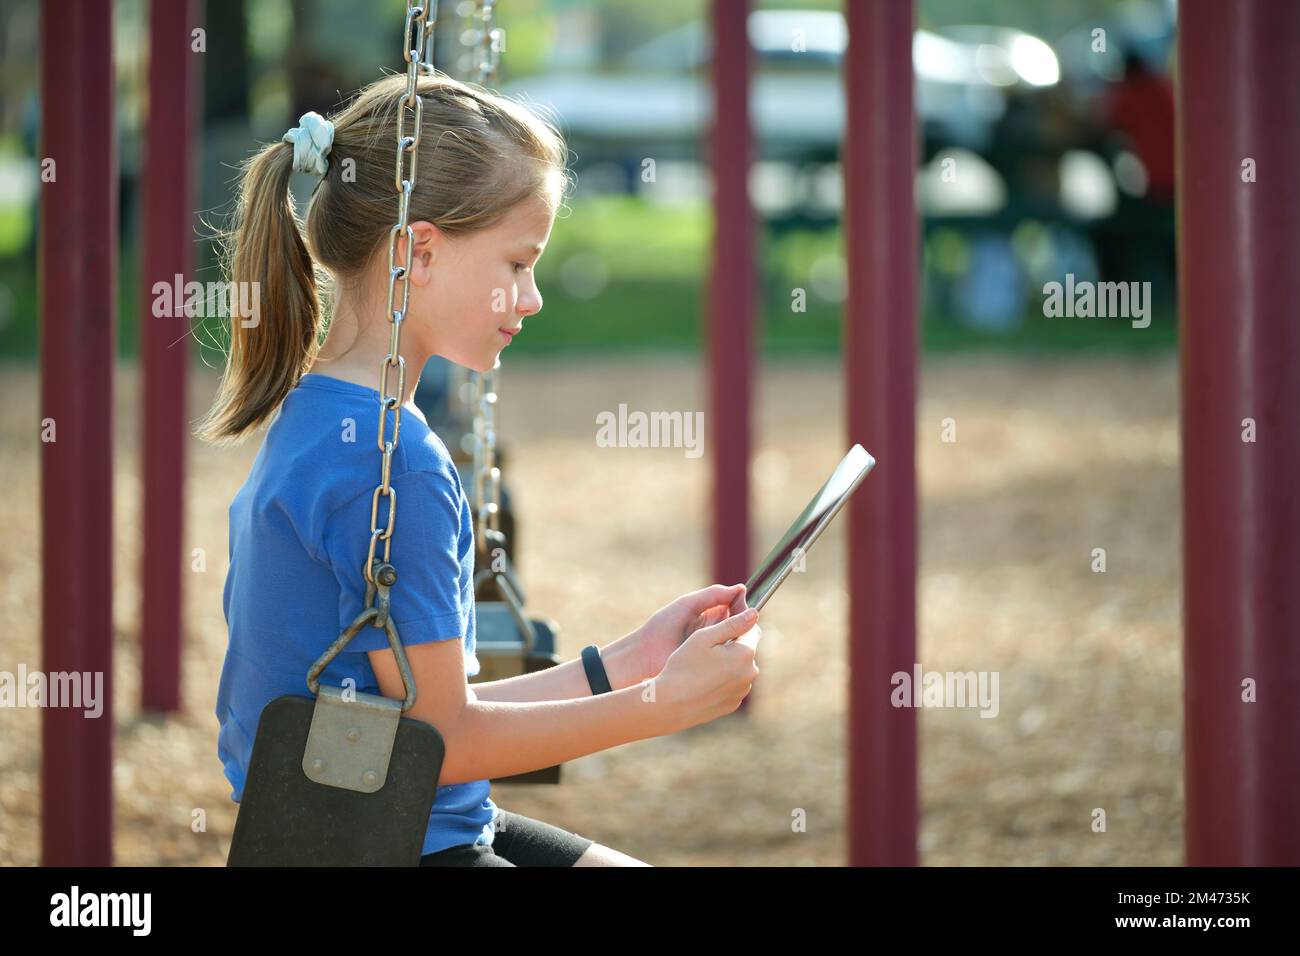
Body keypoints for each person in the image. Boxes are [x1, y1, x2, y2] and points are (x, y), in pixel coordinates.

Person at [199, 72, 762, 867]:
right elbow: (444, 742)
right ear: (416, 252)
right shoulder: (397, 469)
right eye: (518, 262)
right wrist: (659, 706)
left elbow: (429, 717)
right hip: (397, 849)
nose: (531, 298)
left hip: (395, 828)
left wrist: (625, 665)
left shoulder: (321, 417)